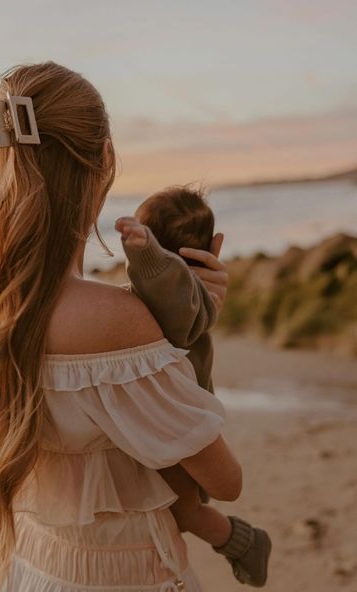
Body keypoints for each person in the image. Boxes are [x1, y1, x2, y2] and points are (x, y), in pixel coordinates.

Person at [0, 61, 242, 592]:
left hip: (29, 564)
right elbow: (225, 482)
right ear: (106, 160)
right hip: (123, 574)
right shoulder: (121, 324)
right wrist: (191, 321)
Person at [115, 185, 272, 587]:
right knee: (176, 512)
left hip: (179, 421)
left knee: (184, 512)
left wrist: (145, 253)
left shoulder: (178, 300)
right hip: (178, 416)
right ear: (213, 245)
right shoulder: (192, 298)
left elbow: (166, 288)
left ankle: (245, 543)